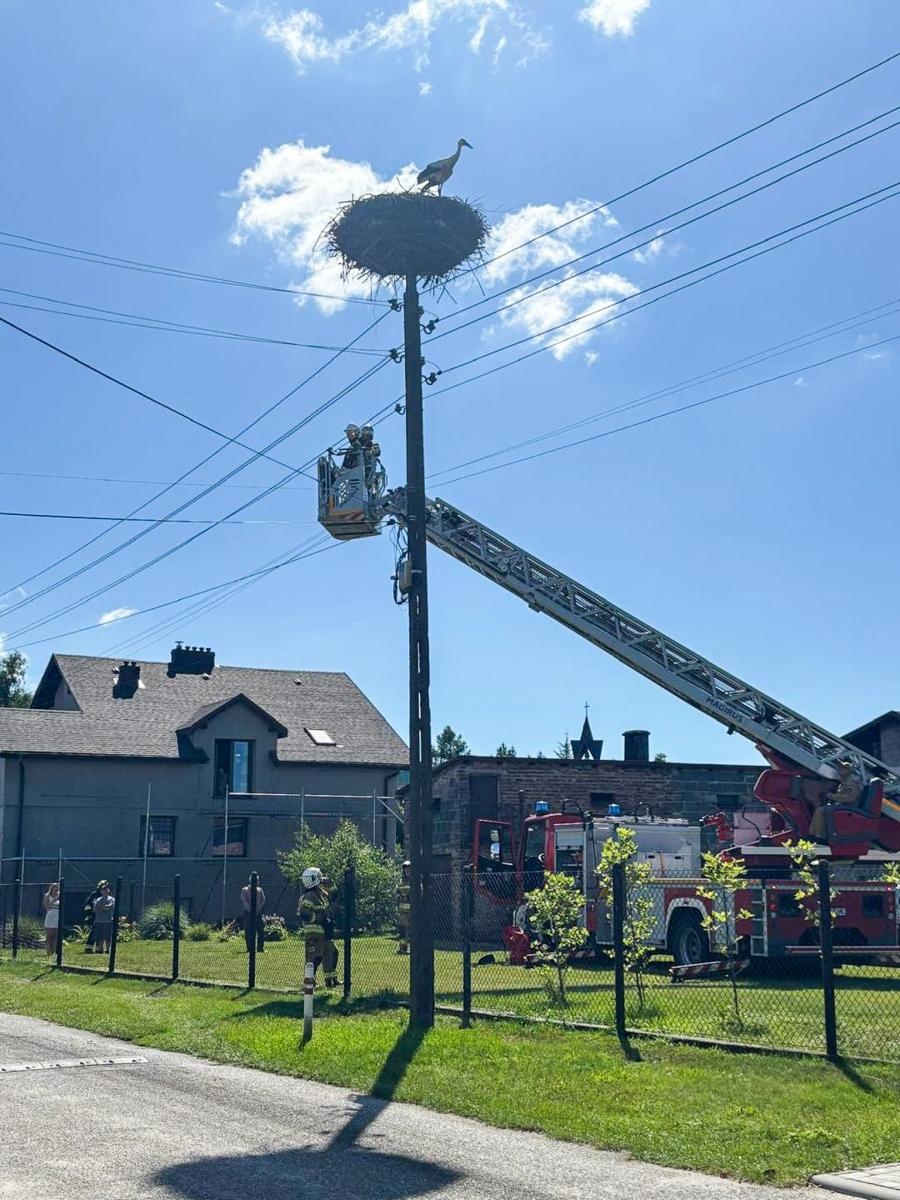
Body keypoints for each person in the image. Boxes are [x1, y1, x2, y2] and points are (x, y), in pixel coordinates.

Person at [297, 866, 339, 988]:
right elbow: (304, 913)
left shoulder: (320, 893)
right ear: (314, 879)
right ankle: (310, 982)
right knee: (315, 958)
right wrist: (320, 919)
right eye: (319, 876)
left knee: (332, 952)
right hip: (315, 933)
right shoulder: (310, 895)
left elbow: (335, 897)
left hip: (324, 932)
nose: (322, 878)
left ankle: (331, 980)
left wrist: (331, 884)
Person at [240, 876, 267, 954]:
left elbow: (263, 900)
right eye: (256, 880)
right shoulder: (244, 890)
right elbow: (244, 901)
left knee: (261, 930)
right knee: (248, 931)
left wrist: (258, 908)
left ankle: (260, 948)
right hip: (248, 913)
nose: (257, 882)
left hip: (258, 913)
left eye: (258, 880)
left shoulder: (260, 890)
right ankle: (249, 949)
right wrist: (250, 910)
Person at [91, 882, 115, 955]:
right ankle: (100, 949)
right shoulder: (98, 899)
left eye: (106, 889)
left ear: (108, 890)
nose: (105, 891)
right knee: (100, 936)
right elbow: (95, 908)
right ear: (101, 891)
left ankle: (108, 949)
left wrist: (103, 907)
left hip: (108, 920)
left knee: (108, 936)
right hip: (99, 920)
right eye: (103, 889)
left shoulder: (112, 899)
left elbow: (112, 906)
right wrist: (105, 907)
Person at [83, 880, 104, 953]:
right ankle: (89, 947)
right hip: (94, 916)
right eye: (102, 887)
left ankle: (99, 948)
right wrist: (89, 914)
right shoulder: (94, 895)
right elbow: (87, 904)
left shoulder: (106, 895)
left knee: (101, 932)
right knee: (94, 932)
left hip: (103, 917)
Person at [396, 860, 411, 955]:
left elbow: (419, 893)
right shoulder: (401, 882)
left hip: (412, 910)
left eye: (409, 869)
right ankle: (402, 949)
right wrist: (398, 896)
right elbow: (397, 892)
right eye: (406, 869)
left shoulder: (415, 881)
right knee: (402, 931)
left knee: (412, 931)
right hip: (402, 910)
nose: (407, 871)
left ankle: (414, 949)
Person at [43, 882, 61, 958]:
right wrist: (55, 899)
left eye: (56, 887)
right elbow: (47, 907)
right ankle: (48, 950)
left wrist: (58, 897)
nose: (55, 889)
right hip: (50, 916)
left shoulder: (59, 895)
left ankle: (53, 951)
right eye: (54, 887)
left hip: (57, 916)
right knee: (49, 935)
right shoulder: (47, 896)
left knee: (55, 936)